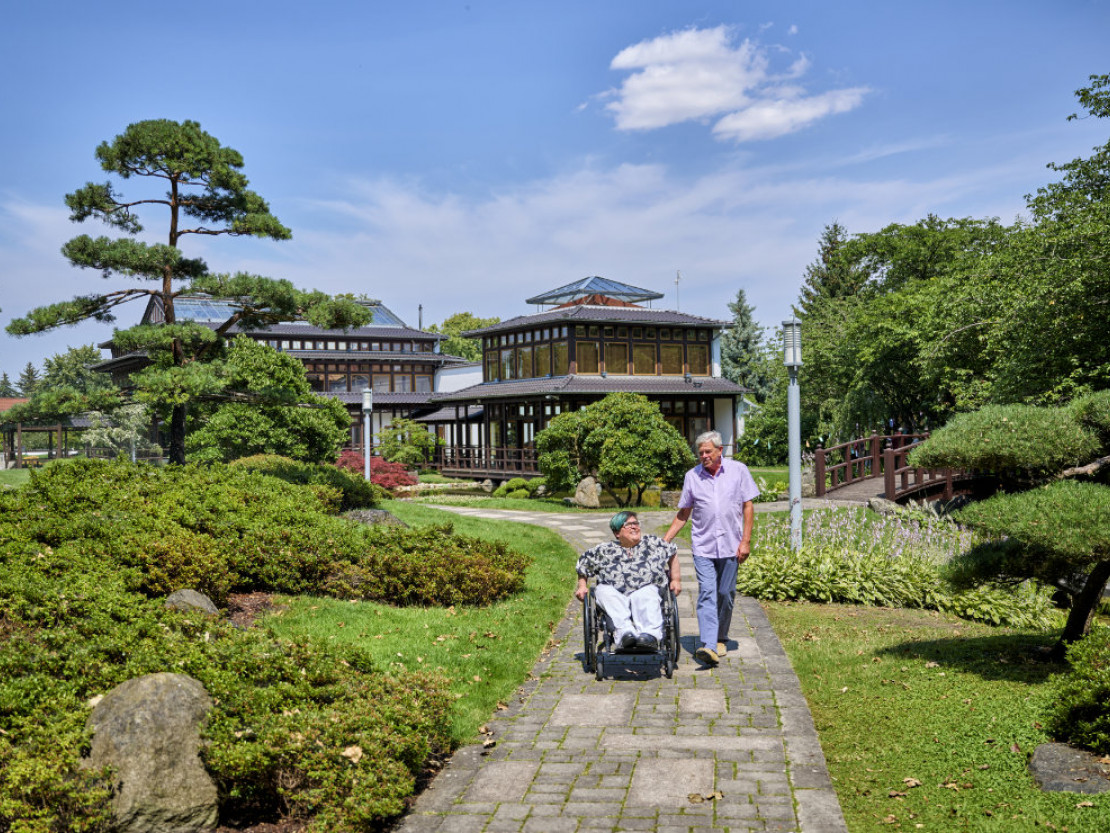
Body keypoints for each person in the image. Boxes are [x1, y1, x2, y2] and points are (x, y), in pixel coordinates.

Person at [664, 430, 759, 667]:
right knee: (707, 593)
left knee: (725, 594)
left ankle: (720, 638)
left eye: (708, 451)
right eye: (701, 452)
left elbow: (748, 506)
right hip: (703, 546)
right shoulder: (692, 477)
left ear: (720, 451)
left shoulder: (738, 471)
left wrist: (745, 541)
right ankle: (707, 644)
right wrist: (664, 540)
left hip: (731, 545)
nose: (704, 456)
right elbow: (684, 512)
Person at [575, 510, 681, 652]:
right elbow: (583, 565)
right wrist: (582, 586)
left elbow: (671, 552)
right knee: (602, 591)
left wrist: (675, 579)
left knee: (646, 593)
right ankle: (625, 634)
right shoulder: (604, 550)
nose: (634, 527)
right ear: (617, 533)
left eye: (636, 523)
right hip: (615, 594)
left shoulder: (652, 544)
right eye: (628, 524)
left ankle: (649, 636)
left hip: (645, 589)